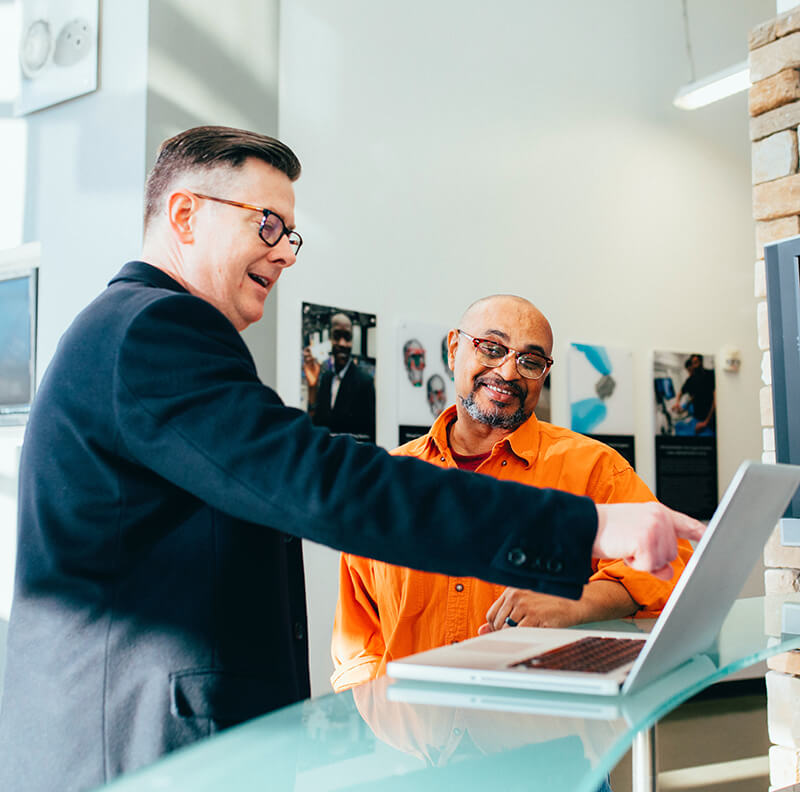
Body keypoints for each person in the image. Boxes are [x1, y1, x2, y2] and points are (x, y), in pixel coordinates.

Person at [0, 127, 703, 792]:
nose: (286, 253)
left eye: (291, 233)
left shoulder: (133, 331)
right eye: (266, 224)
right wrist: (582, 530)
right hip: (136, 746)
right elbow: (323, 483)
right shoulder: (156, 328)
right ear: (184, 215)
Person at [331, 295, 694, 691]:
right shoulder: (390, 481)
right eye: (492, 347)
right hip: (412, 739)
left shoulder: (594, 468)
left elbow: (674, 564)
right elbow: (357, 640)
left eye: (530, 361)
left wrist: (575, 602)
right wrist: (380, 726)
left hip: (541, 734)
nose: (507, 372)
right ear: (454, 349)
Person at [302, 312, 376, 442]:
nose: (342, 343)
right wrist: (312, 387)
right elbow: (316, 426)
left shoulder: (365, 382)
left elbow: (369, 438)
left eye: (347, 338)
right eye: (337, 336)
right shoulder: (326, 378)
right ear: (330, 339)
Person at [672, 353, 716, 435]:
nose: (695, 366)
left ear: (701, 362)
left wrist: (706, 422)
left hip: (709, 420)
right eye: (693, 363)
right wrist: (677, 403)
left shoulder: (710, 375)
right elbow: (682, 393)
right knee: (679, 427)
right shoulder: (691, 380)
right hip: (697, 418)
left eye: (696, 362)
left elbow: (715, 400)